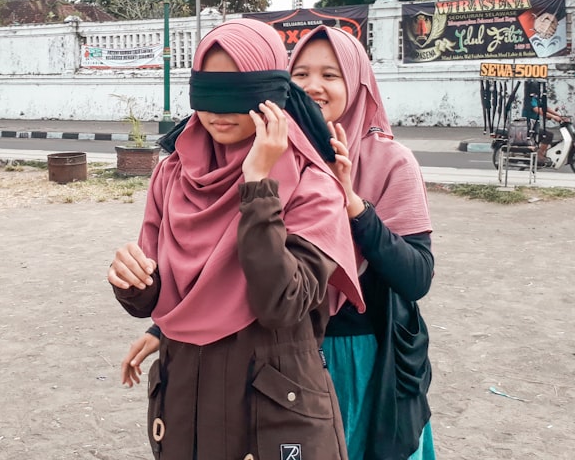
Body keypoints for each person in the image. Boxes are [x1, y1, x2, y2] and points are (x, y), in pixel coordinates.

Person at [121, 25, 438, 460]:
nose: (312, 87)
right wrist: (163, 315)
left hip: (355, 348)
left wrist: (352, 207)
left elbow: (414, 276)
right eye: (300, 73)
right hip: (250, 364)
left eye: (331, 75)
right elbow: (208, 271)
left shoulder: (360, 167)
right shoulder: (179, 173)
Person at [521, 81, 567, 166]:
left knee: (546, 135)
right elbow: (538, 110)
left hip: (535, 125)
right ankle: (540, 155)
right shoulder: (530, 99)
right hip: (529, 126)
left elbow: (546, 108)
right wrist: (554, 117)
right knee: (548, 135)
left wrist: (559, 115)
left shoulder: (536, 98)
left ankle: (542, 151)